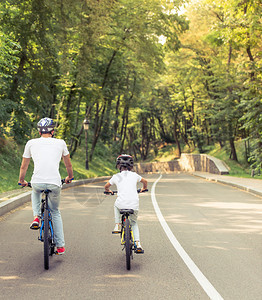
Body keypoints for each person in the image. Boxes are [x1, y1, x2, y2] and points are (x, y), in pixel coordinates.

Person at [18, 117, 74, 255]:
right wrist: (69, 177)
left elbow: (24, 166)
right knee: (55, 212)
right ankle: (60, 246)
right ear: (53, 131)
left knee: (36, 191)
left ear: (39, 131)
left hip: (37, 181)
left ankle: (36, 216)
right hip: (55, 182)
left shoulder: (31, 143)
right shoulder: (61, 143)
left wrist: (22, 181)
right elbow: (68, 164)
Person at [104, 154, 147, 253]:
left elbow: (106, 186)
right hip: (134, 205)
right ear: (131, 166)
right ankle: (138, 243)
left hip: (121, 204)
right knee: (134, 223)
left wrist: (108, 190)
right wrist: (144, 188)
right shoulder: (135, 175)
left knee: (116, 205)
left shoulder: (116, 176)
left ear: (118, 166)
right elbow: (145, 181)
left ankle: (118, 224)